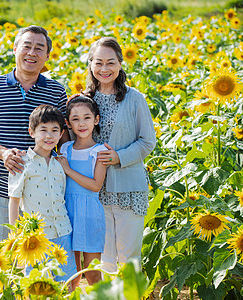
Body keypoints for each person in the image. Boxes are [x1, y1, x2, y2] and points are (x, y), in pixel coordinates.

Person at [0, 25, 68, 242]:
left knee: (43, 258)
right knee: (5, 251)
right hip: (2, 185)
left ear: (47, 56)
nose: (32, 53)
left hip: (44, 191)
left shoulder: (56, 91)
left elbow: (65, 137)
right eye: (27, 46)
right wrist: (2, 153)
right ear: (15, 49)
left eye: (39, 48)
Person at [83, 37, 156, 274]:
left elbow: (148, 141)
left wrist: (119, 157)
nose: (105, 69)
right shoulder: (84, 100)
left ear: (121, 64)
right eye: (99, 63)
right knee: (104, 257)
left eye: (111, 63)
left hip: (129, 188)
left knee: (129, 256)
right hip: (94, 189)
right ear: (91, 64)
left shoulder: (135, 98)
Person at [8, 104, 77, 285]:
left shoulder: (60, 163)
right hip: (37, 238)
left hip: (63, 231)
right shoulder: (21, 162)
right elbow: (14, 200)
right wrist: (16, 234)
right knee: (36, 284)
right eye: (43, 130)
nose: (49, 136)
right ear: (32, 132)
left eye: (55, 130)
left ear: (61, 134)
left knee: (66, 283)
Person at [56, 95, 108, 286]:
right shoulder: (65, 148)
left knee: (93, 272)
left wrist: (68, 169)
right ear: (68, 124)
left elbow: (96, 185)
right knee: (72, 273)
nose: (82, 123)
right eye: (75, 119)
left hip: (89, 216)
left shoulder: (101, 151)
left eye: (87, 117)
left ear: (96, 119)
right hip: (66, 214)